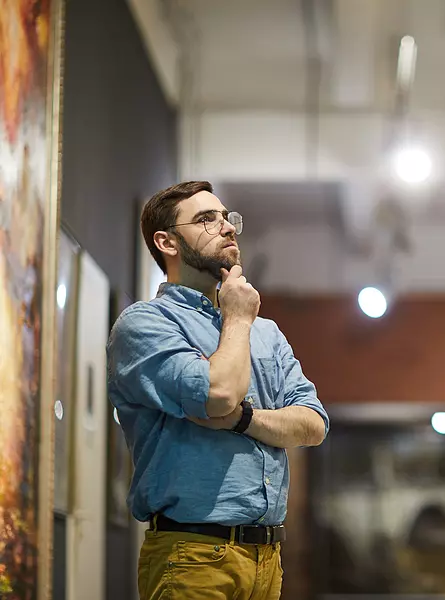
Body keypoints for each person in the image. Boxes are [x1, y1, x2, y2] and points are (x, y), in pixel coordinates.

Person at [107, 181, 329, 600]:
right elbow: (219, 394)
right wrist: (239, 319)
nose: (226, 227)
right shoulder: (145, 324)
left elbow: (313, 424)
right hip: (192, 553)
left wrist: (245, 419)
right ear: (166, 242)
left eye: (227, 217)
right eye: (207, 219)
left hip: (267, 559)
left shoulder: (268, 333)